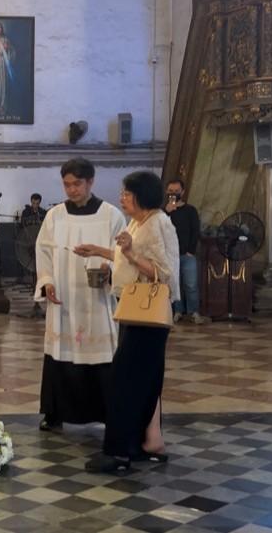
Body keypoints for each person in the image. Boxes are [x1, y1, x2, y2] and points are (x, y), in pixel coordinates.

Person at [78, 170, 180, 473]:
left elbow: (164, 273)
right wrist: (100, 251)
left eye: (127, 192)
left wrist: (131, 254)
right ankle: (145, 443)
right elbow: (128, 257)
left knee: (125, 382)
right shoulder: (140, 222)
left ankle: (119, 452)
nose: (122, 197)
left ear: (143, 194)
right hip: (134, 311)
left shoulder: (159, 223)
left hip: (148, 316)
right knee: (141, 382)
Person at [34, 159, 127, 433]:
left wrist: (109, 270)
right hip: (64, 298)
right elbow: (44, 251)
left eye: (77, 184)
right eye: (66, 184)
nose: (71, 190)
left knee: (101, 356)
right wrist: (47, 281)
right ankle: (55, 414)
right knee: (60, 354)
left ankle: (108, 413)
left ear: (91, 182)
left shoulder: (111, 215)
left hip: (97, 299)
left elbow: (122, 254)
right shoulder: (55, 215)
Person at [165, 178, 204, 324]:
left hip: (187, 254)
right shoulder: (163, 212)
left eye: (176, 191)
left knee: (191, 284)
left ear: (183, 192)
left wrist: (191, 251)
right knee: (175, 285)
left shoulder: (190, 210)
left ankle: (194, 312)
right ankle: (177, 311)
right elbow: (161, 229)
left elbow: (195, 231)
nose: (173, 193)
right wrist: (167, 212)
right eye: (170, 191)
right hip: (170, 255)